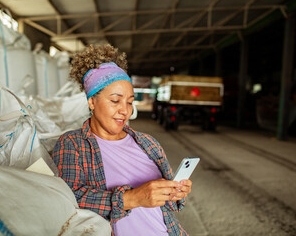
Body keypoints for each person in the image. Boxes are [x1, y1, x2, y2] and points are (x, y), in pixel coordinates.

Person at [52, 44, 192, 236]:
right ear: (92, 101)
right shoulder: (73, 144)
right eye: (115, 101)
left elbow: (169, 204)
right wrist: (132, 198)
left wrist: (175, 193)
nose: (125, 111)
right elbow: (68, 201)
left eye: (129, 101)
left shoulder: (148, 144)